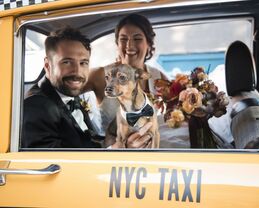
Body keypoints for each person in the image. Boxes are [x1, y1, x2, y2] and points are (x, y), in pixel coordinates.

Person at [84, 14, 169, 148]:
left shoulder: (159, 78)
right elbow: (68, 84)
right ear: (117, 44)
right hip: (112, 159)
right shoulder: (100, 75)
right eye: (123, 39)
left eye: (137, 38)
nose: (129, 45)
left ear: (148, 43)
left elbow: (172, 120)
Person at [21, 27, 103, 148]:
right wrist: (112, 150)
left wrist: (118, 144)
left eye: (83, 63)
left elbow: (85, 141)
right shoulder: (36, 107)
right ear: (47, 65)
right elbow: (53, 162)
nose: (77, 72)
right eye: (67, 62)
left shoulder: (66, 92)